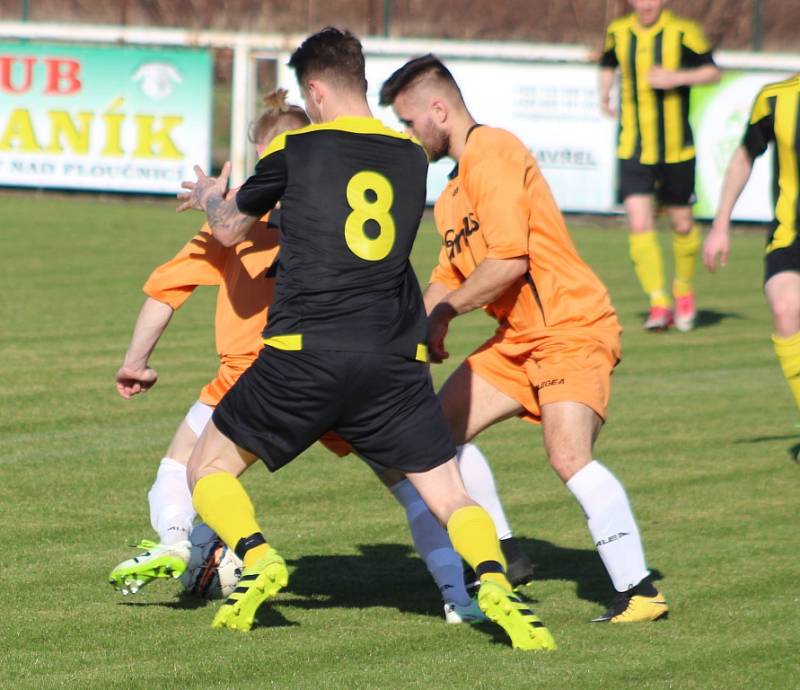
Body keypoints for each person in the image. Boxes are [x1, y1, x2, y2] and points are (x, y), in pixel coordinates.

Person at [176, 28, 555, 650]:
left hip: (304, 355)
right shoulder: (410, 157)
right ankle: (492, 582)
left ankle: (258, 555)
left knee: (207, 466)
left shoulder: (297, 148)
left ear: (316, 91)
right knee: (449, 493)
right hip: (391, 364)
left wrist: (213, 200)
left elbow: (229, 229)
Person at [107, 90, 525, 625]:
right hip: (367, 370)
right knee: (422, 488)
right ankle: (461, 593)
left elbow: (165, 292)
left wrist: (135, 362)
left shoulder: (232, 225)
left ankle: (181, 544)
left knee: (184, 466)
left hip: (267, 379)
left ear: (267, 157)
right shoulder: (355, 222)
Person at [379, 53, 667, 623]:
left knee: (567, 455)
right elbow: (446, 277)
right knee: (430, 439)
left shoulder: (496, 152)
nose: (407, 135)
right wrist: (402, 325)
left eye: (409, 123)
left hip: (570, 326)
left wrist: (445, 317)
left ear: (439, 109)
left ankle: (640, 591)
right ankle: (504, 552)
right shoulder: (455, 191)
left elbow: (508, 262)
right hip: (518, 341)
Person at [599, 0, 720, 331]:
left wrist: (676, 77)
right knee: (638, 221)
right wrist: (604, 94)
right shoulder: (619, 32)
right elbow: (608, 62)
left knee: (682, 224)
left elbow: (713, 71)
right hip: (633, 146)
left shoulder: (683, 32)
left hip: (676, 148)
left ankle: (683, 289)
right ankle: (659, 303)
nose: (646, 4)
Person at [704, 74, 800, 448]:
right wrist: (720, 224)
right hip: (791, 236)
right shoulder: (776, 99)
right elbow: (745, 155)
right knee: (785, 306)